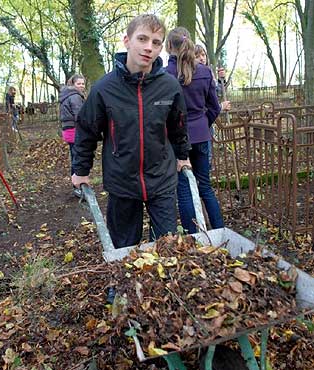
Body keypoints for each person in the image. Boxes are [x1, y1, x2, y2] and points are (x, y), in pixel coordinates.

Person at [72, 14, 190, 249]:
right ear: (127, 40)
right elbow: (86, 131)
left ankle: (160, 285)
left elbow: (178, 125)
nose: (149, 47)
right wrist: (80, 170)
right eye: (142, 39)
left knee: (165, 245)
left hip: (162, 179)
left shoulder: (169, 87)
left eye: (156, 43)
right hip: (122, 181)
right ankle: (120, 284)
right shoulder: (105, 89)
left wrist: (182, 156)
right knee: (124, 247)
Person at [166, 27, 228, 234]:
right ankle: (218, 231)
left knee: (183, 189)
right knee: (205, 186)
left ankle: (193, 236)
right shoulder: (203, 71)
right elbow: (215, 107)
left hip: (176, 140)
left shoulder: (164, 75)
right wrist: (203, 124)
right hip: (201, 136)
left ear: (168, 47)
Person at [59, 74, 86, 197]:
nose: (81, 86)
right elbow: (80, 115)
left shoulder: (67, 95)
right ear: (73, 84)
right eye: (78, 83)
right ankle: (78, 187)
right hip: (74, 130)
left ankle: (77, 186)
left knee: (75, 156)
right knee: (78, 158)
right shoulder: (75, 96)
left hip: (68, 130)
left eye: (83, 83)